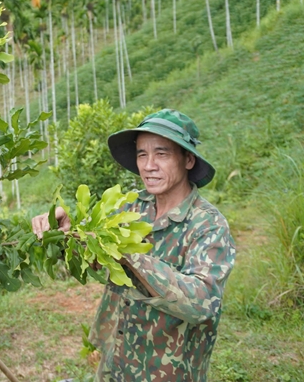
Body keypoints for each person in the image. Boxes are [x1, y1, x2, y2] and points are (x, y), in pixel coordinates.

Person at [32, 109, 236, 382]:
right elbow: (94, 257)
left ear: (188, 159)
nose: (148, 165)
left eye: (161, 154)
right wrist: (68, 231)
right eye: (142, 154)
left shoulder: (208, 226)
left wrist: (130, 255)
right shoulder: (130, 207)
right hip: (115, 362)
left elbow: (202, 303)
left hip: (165, 371)